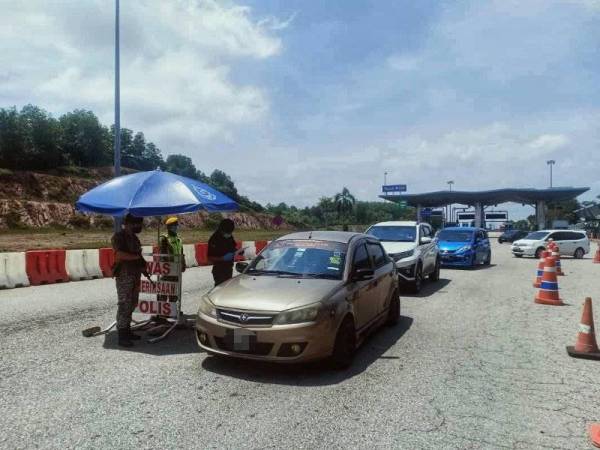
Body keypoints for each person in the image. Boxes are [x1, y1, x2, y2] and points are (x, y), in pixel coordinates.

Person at [111, 214, 146, 347]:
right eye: (138, 224)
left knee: (133, 303)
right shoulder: (119, 237)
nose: (140, 227)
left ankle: (127, 329)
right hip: (124, 275)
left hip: (135, 274)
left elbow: (138, 255)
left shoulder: (135, 239)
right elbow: (119, 255)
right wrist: (136, 258)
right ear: (130, 223)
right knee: (124, 304)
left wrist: (142, 265)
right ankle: (122, 334)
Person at [158, 216, 186, 303]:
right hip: (168, 269)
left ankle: (173, 309)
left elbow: (181, 253)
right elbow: (162, 255)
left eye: (176, 225)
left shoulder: (178, 239)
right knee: (165, 289)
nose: (176, 227)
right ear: (169, 227)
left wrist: (183, 264)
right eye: (173, 226)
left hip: (176, 269)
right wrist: (166, 267)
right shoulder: (164, 239)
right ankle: (162, 310)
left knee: (174, 290)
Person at [208, 218, 241, 286]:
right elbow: (209, 257)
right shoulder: (214, 239)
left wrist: (238, 251)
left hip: (229, 268)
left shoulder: (229, 236)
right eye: (228, 232)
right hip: (219, 270)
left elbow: (232, 247)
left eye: (230, 232)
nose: (229, 234)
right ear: (221, 229)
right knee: (220, 290)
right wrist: (222, 258)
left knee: (228, 289)